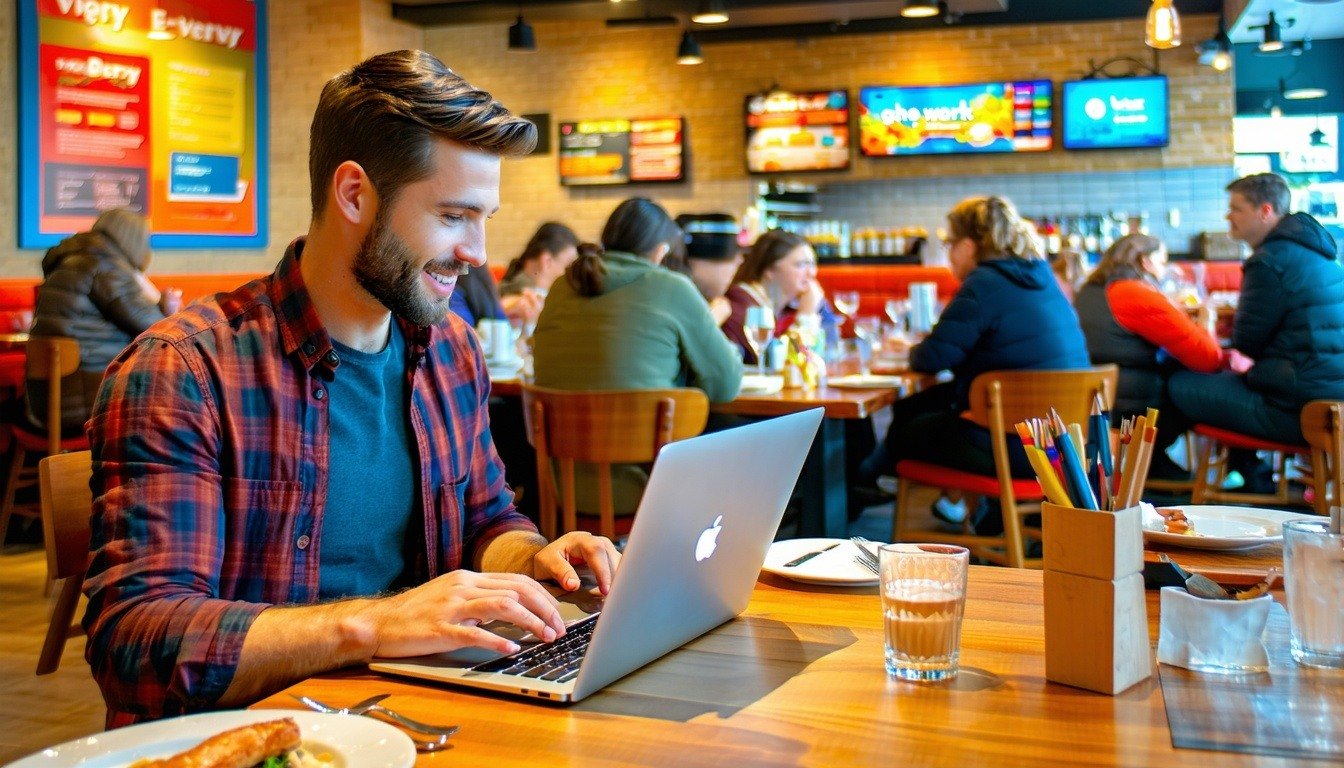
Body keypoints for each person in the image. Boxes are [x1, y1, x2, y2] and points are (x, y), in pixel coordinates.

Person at [82, 50, 620, 727]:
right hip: (259, 735)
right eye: (454, 216)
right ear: (355, 194)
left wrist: (537, 561)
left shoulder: (449, 350)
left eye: (483, 216)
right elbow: (140, 645)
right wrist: (376, 624)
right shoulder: (184, 370)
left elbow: (486, 519)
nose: (478, 251)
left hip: (418, 716)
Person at [861, 196, 1090, 530]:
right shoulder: (1041, 277)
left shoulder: (983, 283)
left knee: (907, 431)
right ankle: (971, 513)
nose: (949, 254)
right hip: (1064, 441)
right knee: (923, 404)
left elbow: (932, 358)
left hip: (1016, 446)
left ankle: (864, 484)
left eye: (950, 243)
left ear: (968, 246)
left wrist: (910, 348)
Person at [531, 198, 742, 518]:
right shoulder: (672, 287)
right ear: (660, 250)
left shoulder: (563, 286)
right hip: (649, 490)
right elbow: (726, 385)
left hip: (562, 485)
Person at [1167, 173, 1344, 460]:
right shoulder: (1317, 252)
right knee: (1230, 380)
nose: (1228, 215)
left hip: (1297, 410)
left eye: (1237, 208)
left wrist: (1229, 325)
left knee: (1178, 383)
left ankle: (1164, 484)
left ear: (1265, 211)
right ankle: (1250, 474)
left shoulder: (1268, 260)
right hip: (1333, 403)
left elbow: (1247, 343)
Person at [1074, 234, 1222, 479]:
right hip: (1132, 408)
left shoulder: (1089, 291)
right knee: (1202, 388)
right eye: (1162, 262)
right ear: (1145, 261)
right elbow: (1208, 357)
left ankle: (1154, 463)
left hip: (1099, 400)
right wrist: (1207, 321)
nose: (1164, 270)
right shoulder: (1132, 292)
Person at [26, 207, 181, 434]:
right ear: (135, 241)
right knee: (180, 398)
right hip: (88, 406)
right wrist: (164, 305)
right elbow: (161, 331)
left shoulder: (69, 261)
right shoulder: (105, 268)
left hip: (44, 402)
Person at [723, 229, 838, 364]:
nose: (811, 273)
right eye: (800, 264)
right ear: (770, 270)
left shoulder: (794, 303)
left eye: (812, 264)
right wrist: (805, 316)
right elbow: (778, 363)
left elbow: (832, 352)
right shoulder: (743, 305)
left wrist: (817, 307)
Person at [668, 213, 744, 328]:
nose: (739, 260)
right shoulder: (666, 307)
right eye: (731, 252)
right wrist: (710, 322)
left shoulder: (711, 305)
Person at [499, 222, 580, 299]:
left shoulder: (509, 289)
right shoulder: (527, 304)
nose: (572, 274)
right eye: (569, 264)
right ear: (547, 261)